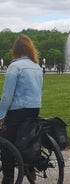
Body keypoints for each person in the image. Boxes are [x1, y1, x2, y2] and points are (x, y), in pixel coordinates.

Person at [0, 35, 43, 183]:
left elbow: (7, 96)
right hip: (34, 109)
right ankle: (29, 168)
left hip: (18, 110)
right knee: (25, 139)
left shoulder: (15, 67)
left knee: (6, 144)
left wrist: (1, 115)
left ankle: (8, 178)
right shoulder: (37, 67)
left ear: (16, 50)